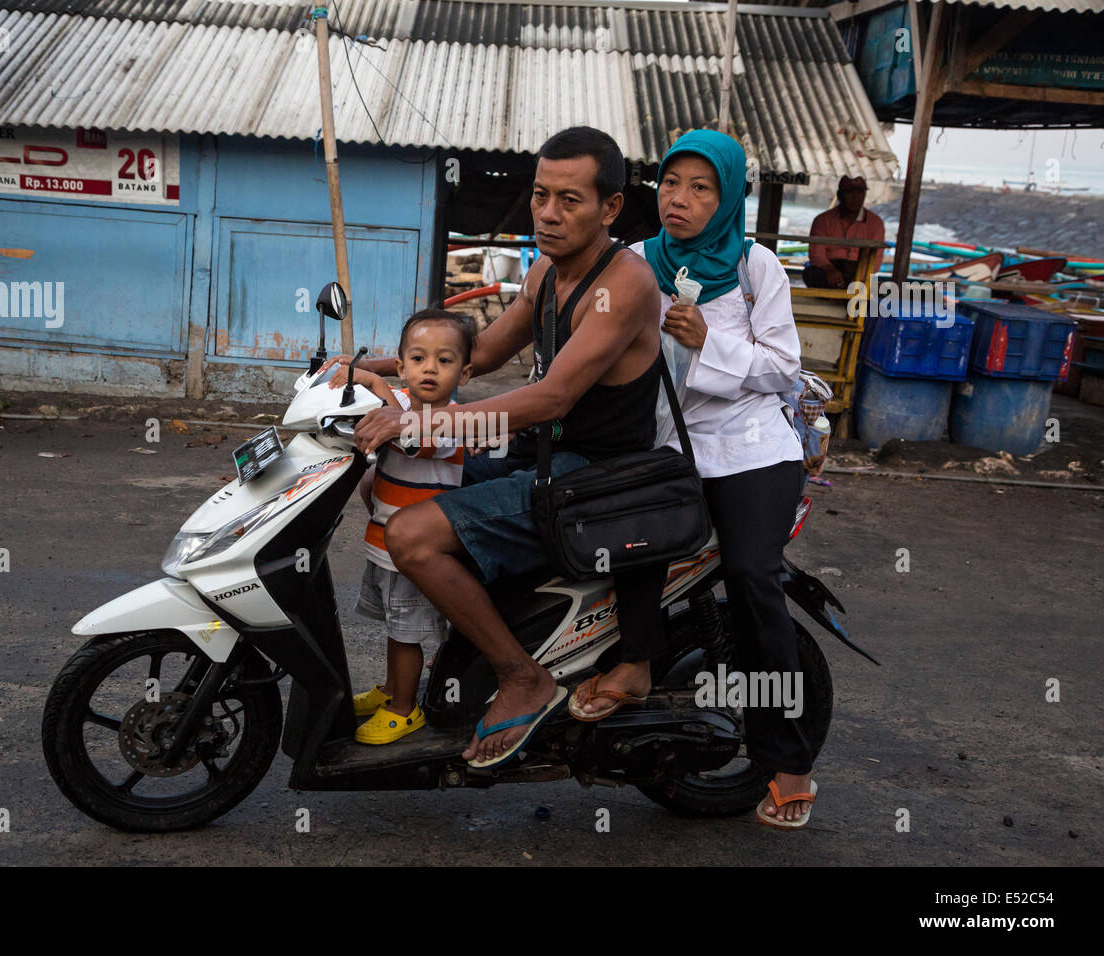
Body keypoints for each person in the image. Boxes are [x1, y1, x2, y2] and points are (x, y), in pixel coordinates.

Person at [345, 126, 664, 770]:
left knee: (410, 535)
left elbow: (551, 397)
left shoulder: (624, 283)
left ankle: (522, 676)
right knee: (396, 478)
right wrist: (360, 365)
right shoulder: (547, 269)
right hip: (540, 451)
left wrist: (425, 424)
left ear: (610, 208)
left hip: (594, 474)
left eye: (569, 200)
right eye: (541, 195)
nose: (547, 213)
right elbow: (482, 355)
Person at [573, 129, 819, 827]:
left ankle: (788, 757)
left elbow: (782, 368)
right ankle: (637, 665)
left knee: (751, 577)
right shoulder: (634, 263)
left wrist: (710, 341)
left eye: (701, 187)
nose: (679, 199)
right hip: (662, 444)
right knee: (625, 544)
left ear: (729, 195)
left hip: (749, 448)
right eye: (672, 184)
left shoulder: (754, 266)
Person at [340, 309, 474, 744]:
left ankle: (404, 709)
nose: (429, 368)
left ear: (465, 371)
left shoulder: (452, 420)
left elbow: (417, 441)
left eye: (444, 360)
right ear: (402, 367)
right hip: (384, 547)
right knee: (394, 629)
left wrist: (375, 385)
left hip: (415, 556)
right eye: (418, 358)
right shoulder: (397, 405)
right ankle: (392, 690)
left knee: (406, 636)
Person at [801, 175, 884, 290]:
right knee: (810, 273)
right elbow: (816, 253)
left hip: (860, 270)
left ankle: (846, 291)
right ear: (840, 195)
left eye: (859, 193)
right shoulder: (823, 220)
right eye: (850, 193)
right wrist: (829, 269)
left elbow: (876, 259)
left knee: (876, 291)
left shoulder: (876, 223)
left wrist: (859, 277)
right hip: (830, 267)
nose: (855, 198)